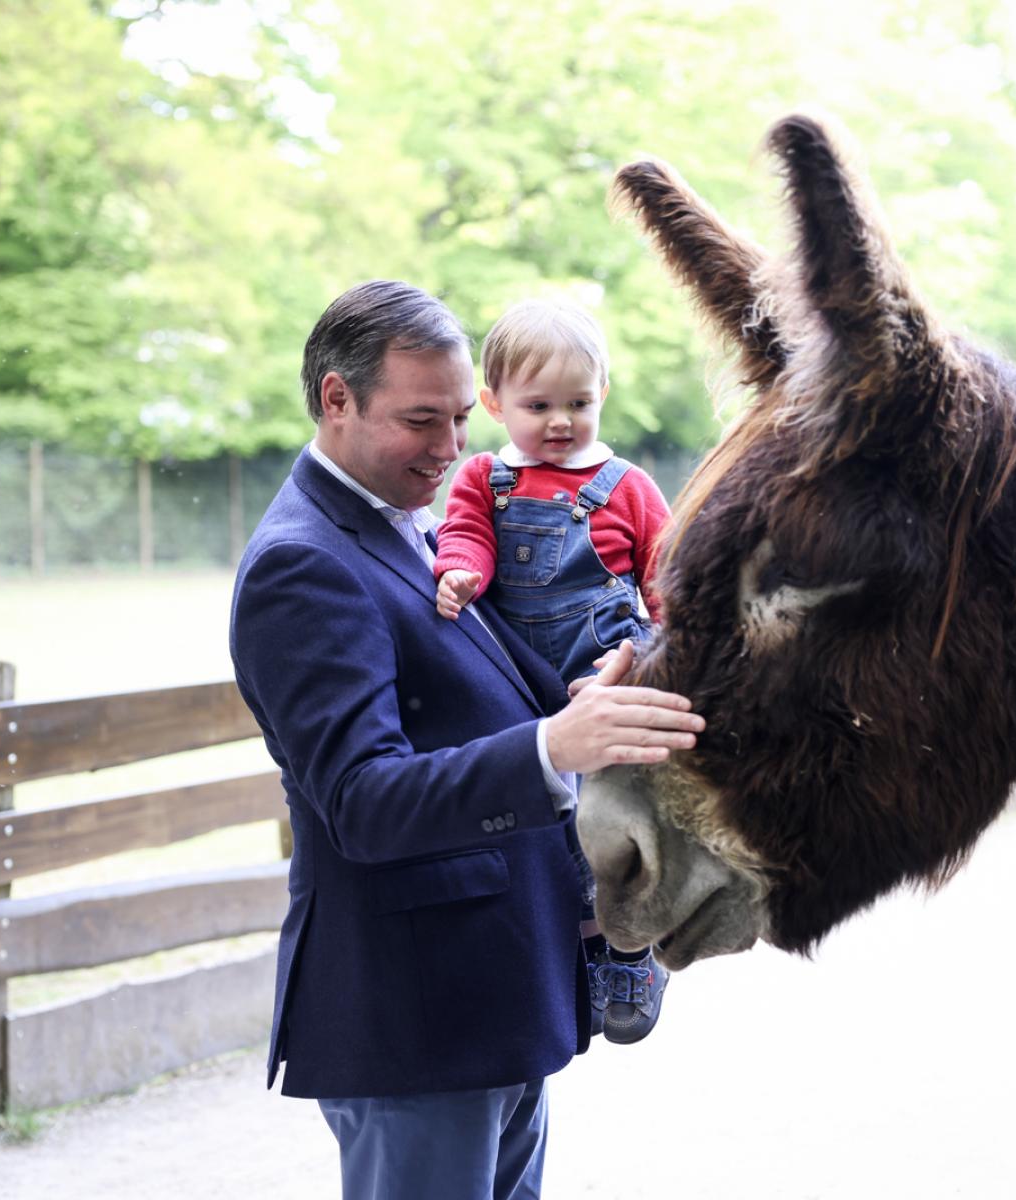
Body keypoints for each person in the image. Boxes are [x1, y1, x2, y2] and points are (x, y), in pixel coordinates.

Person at [228, 279, 703, 1200]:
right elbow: (364, 802)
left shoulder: (405, 525)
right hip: (419, 1014)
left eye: (457, 419)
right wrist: (552, 749)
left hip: (496, 994)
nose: (451, 451)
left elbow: (490, 694)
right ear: (336, 398)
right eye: (421, 422)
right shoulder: (302, 563)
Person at [432, 298, 674, 1046]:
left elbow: (664, 576)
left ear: (603, 393)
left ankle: (630, 950)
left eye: (578, 402)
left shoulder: (626, 486)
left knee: (618, 825)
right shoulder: (485, 479)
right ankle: (583, 946)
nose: (561, 421)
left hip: (605, 677)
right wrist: (460, 573)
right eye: (539, 405)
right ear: (494, 402)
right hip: (518, 682)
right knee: (549, 830)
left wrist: (645, 654)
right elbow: (465, 535)